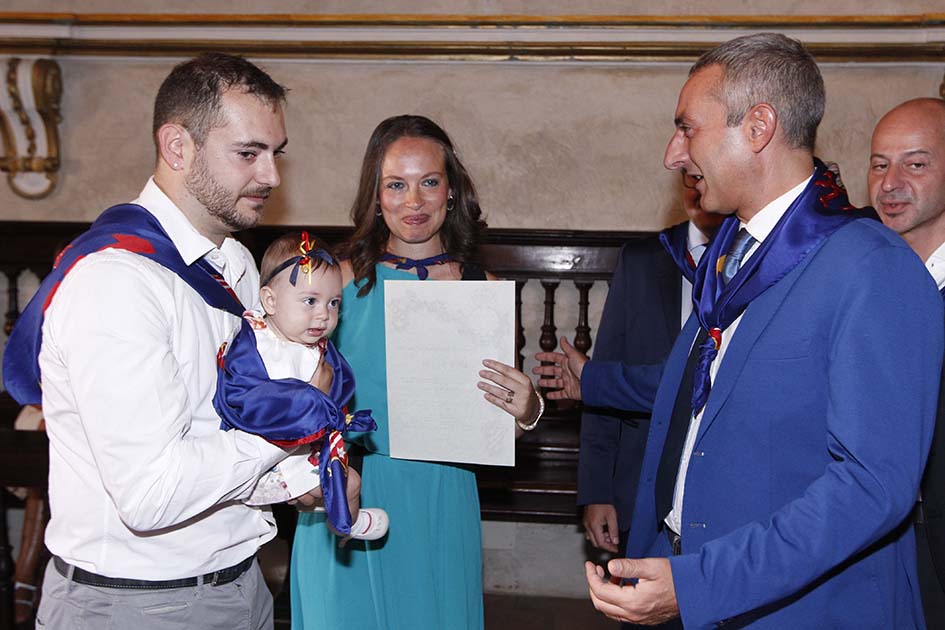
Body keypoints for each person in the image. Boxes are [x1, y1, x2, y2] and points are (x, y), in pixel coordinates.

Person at [539, 33, 942, 628]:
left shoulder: (871, 267)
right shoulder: (735, 253)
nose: (673, 155)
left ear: (758, 128)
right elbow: (697, 404)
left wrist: (701, 584)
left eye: (688, 128)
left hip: (798, 609)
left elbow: (870, 486)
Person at [2, 52, 305, 630]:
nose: (271, 176)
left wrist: (295, 477)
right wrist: (293, 423)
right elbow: (152, 495)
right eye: (249, 153)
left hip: (240, 581)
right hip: (135, 603)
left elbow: (222, 424)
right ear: (177, 146)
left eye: (276, 153)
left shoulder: (235, 263)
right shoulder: (116, 283)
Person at [289, 114, 543, 630]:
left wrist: (528, 409)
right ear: (375, 195)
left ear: (452, 191)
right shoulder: (337, 281)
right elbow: (285, 395)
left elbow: (497, 422)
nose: (414, 201)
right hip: (350, 486)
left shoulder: (483, 288)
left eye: (429, 182)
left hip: (441, 495)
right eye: (396, 185)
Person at [214, 230, 389, 541]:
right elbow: (245, 396)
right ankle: (346, 524)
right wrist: (313, 399)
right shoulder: (259, 344)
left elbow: (339, 380)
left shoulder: (310, 343)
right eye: (310, 301)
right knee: (350, 484)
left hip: (300, 450)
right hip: (265, 462)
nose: (324, 314)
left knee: (347, 479)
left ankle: (337, 516)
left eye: (334, 303)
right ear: (270, 300)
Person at [579, 174, 722, 555]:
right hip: (640, 477)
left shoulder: (755, 261)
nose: (698, 188)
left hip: (720, 483)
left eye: (706, 176)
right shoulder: (642, 261)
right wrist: (597, 490)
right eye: (691, 177)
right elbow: (606, 374)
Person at [868, 96, 945, 630]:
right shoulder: (857, 278)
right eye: (879, 165)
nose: (890, 183)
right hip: (869, 545)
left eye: (915, 164)